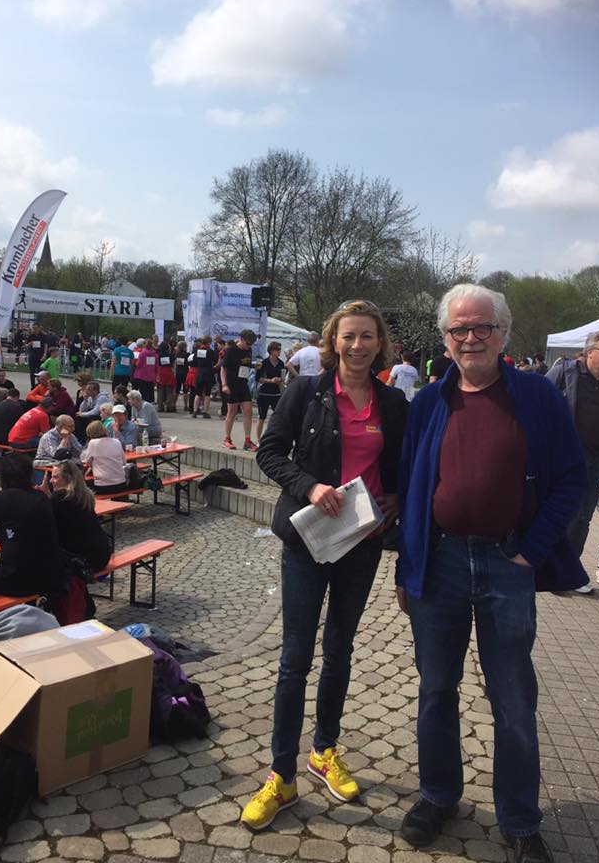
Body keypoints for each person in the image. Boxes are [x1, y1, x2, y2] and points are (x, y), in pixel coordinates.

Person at [396, 284, 588, 863]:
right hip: (441, 562)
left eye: (482, 327)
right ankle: (438, 796)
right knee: (435, 690)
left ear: (503, 333)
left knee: (512, 697)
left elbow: (572, 481)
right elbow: (410, 488)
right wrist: (409, 568)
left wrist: (531, 551)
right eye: (459, 329)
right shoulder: (430, 401)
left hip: (508, 564)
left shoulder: (535, 396)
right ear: (445, 339)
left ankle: (520, 820)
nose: (471, 337)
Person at [242, 301, 408, 830]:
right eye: (348, 337)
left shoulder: (394, 401)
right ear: (332, 342)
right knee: (295, 658)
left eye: (367, 337)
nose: (357, 346)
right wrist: (309, 486)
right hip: (311, 538)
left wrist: (395, 503)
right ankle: (281, 775)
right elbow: (269, 453)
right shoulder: (306, 392)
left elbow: (400, 465)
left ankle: (324, 751)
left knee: (340, 650)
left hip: (361, 540)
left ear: (380, 343)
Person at [546, 329, 599, 593]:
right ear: (590, 352)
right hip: (561, 457)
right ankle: (544, 568)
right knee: (555, 513)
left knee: (582, 519)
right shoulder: (565, 373)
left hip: (595, 462)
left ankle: (567, 571)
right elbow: (539, 406)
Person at [0, 454, 66, 597]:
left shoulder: (0, 499)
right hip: (50, 574)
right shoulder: (41, 497)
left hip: (17, 579)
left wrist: (0, 530)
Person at [42, 460, 111, 572]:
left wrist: (44, 498)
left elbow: (47, 524)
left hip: (84, 560)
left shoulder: (60, 497)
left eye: (55, 477)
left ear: (68, 479)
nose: (51, 481)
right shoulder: (84, 494)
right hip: (102, 555)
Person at [222, 329, 258, 451]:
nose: (249, 346)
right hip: (232, 385)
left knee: (248, 411)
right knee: (232, 412)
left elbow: (245, 366)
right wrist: (224, 385)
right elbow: (223, 369)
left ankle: (247, 441)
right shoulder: (231, 351)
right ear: (241, 339)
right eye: (247, 344)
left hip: (244, 385)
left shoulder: (249, 350)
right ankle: (227, 438)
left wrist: (254, 366)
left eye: (251, 344)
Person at [81, 420, 127, 495]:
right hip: (121, 484)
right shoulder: (116, 441)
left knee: (84, 485)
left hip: (103, 486)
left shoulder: (93, 443)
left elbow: (88, 463)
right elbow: (124, 462)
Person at [255, 341, 285, 443]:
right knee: (262, 417)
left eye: (280, 349)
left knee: (278, 418)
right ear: (271, 351)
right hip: (264, 393)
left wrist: (280, 382)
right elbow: (258, 378)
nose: (279, 351)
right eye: (277, 349)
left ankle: (275, 439)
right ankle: (258, 440)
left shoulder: (281, 363)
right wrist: (270, 380)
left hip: (276, 394)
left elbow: (283, 378)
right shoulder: (264, 362)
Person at [192, 336, 217, 418]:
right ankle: (205, 412)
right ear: (209, 343)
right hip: (208, 373)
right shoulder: (210, 351)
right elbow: (215, 360)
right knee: (207, 393)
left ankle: (195, 411)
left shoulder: (198, 351)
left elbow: (194, 361)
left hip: (199, 373)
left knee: (198, 393)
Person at [156, 341, 176, 412]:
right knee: (169, 390)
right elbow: (173, 364)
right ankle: (169, 406)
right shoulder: (171, 356)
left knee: (160, 391)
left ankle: (160, 407)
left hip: (161, 372)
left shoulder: (158, 356)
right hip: (169, 372)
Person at [174, 340, 189, 410]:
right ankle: (186, 405)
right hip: (185, 373)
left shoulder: (176, 355)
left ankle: (173, 404)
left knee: (177, 390)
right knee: (185, 391)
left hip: (178, 373)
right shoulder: (187, 355)